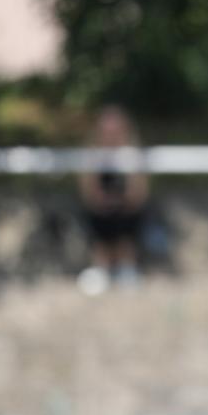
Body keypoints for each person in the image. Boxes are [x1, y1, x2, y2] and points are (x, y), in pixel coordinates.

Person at [77, 105, 149, 294]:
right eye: (107, 131)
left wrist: (121, 199)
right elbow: (88, 193)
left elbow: (138, 194)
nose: (111, 136)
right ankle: (101, 267)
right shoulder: (93, 155)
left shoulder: (132, 156)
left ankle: (127, 266)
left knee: (128, 218)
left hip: (126, 211)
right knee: (97, 218)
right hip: (101, 212)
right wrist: (104, 199)